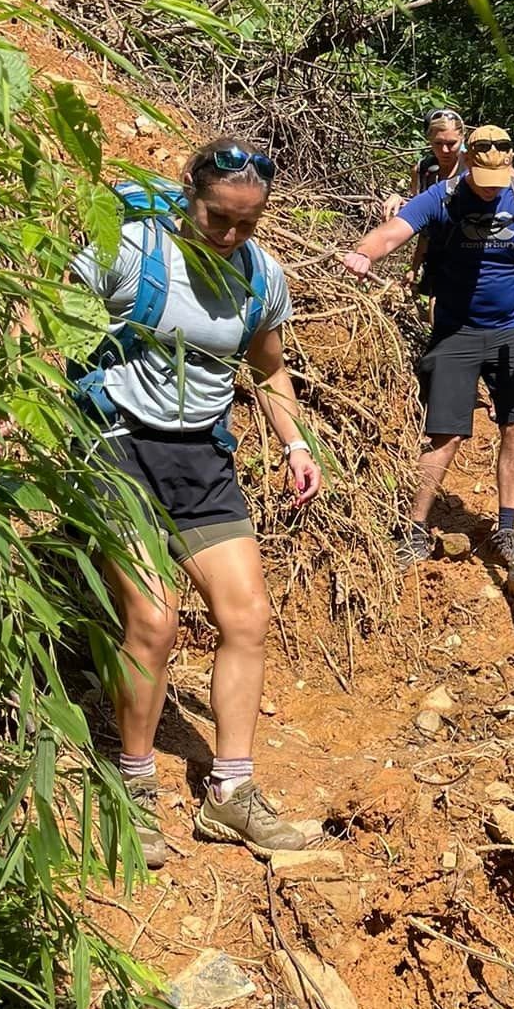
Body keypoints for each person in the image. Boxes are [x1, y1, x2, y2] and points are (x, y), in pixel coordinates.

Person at [71, 139, 324, 867]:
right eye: (220, 219)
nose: (233, 235)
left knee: (247, 616)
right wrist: (11, 406)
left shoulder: (260, 276)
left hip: (200, 458)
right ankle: (134, 786)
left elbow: (269, 369)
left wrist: (295, 445)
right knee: (153, 618)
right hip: (113, 443)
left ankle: (231, 796)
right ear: (189, 194)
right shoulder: (130, 250)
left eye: (249, 223)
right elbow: (45, 318)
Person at [339, 123, 514, 588]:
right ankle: (415, 528)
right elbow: (393, 233)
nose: (489, 194)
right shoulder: (442, 197)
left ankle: (506, 530)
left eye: (497, 185)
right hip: (455, 333)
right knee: (445, 434)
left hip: (512, 332)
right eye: (482, 184)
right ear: (468, 164)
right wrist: (364, 253)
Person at [379, 107, 466, 220]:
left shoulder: (472, 168)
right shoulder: (423, 170)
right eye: (438, 143)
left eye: (451, 143)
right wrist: (398, 200)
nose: (445, 150)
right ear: (429, 140)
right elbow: (418, 210)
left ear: (462, 138)